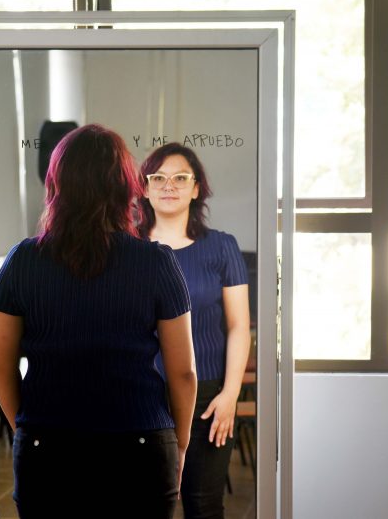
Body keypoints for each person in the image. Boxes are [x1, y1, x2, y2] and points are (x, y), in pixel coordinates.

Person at [0, 124, 197, 519]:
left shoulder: (22, 262)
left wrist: (28, 433)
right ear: (125, 188)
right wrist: (180, 444)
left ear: (56, 185)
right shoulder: (156, 263)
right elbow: (183, 371)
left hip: (47, 446)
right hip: (140, 445)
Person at [138, 142, 251, 519]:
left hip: (208, 399)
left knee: (204, 506)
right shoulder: (127, 249)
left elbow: (238, 327)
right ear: (144, 187)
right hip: (142, 397)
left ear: (196, 187)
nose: (169, 186)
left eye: (180, 178)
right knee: (147, 505)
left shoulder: (222, 247)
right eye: (158, 178)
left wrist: (230, 394)